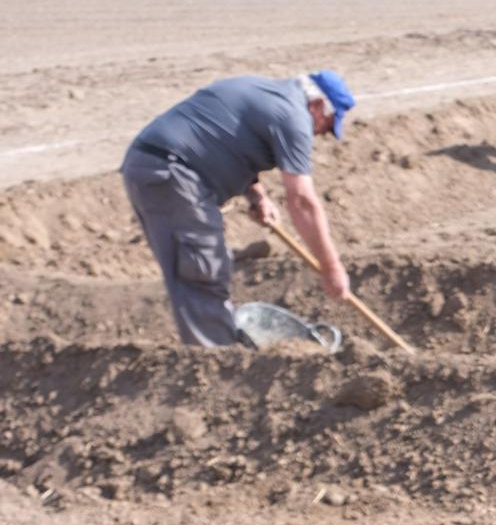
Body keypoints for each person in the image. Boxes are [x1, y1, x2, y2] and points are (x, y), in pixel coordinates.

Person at [121, 71, 355, 348]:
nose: (321, 134)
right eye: (327, 125)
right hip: (173, 173)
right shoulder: (294, 117)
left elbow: (221, 138)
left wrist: (256, 195)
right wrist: (331, 267)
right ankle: (217, 364)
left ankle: (212, 351)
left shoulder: (259, 88)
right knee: (204, 270)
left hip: (153, 164)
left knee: (197, 272)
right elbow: (302, 200)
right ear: (317, 105)